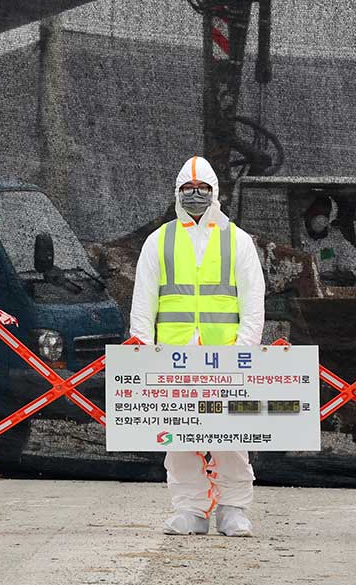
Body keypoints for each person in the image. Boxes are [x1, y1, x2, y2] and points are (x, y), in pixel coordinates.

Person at [129, 156, 265, 537]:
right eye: (188, 191)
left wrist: (246, 347)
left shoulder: (238, 240)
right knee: (178, 436)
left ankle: (233, 509)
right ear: (177, 194)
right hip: (174, 357)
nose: (195, 196)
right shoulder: (159, 241)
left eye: (202, 190)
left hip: (226, 356)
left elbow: (254, 301)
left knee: (231, 436)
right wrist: (142, 348)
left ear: (215, 193)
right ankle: (189, 509)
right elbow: (144, 301)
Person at [300, 196, 356, 286]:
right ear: (307, 214)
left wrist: (353, 273)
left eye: (325, 214)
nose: (320, 218)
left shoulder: (334, 238)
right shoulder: (296, 237)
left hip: (329, 292)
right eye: (317, 213)